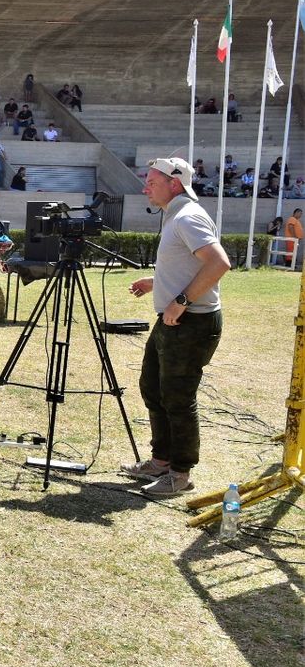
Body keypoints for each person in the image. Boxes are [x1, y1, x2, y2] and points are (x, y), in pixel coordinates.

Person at [123, 158, 230, 496]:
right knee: (152, 387)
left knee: (178, 397)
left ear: (174, 183)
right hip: (174, 321)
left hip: (191, 322)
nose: (145, 188)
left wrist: (181, 301)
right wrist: (157, 282)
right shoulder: (177, 215)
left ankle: (180, 474)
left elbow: (219, 263)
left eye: (151, 182)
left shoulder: (188, 215)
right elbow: (186, 264)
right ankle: (162, 460)